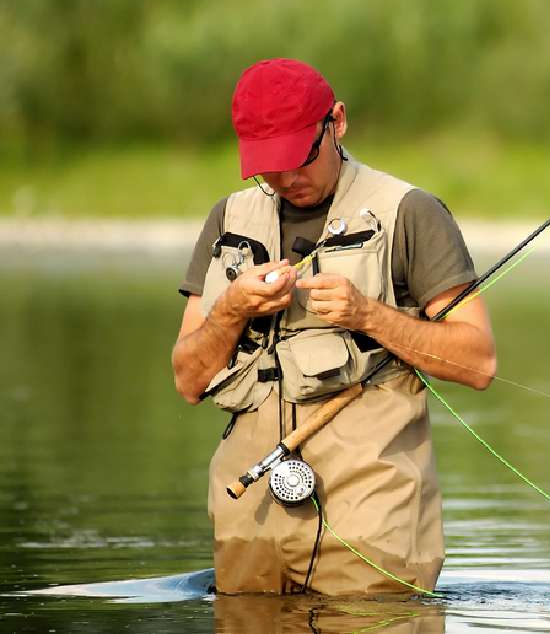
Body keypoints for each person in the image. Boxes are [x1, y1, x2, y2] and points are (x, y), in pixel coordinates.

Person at [171, 58, 496, 596]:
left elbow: (478, 362)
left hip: (374, 522)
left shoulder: (411, 213)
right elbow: (188, 380)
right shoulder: (226, 220)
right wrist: (230, 309)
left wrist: (368, 314)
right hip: (248, 518)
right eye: (268, 167)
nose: (286, 180)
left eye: (299, 158)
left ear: (337, 123)